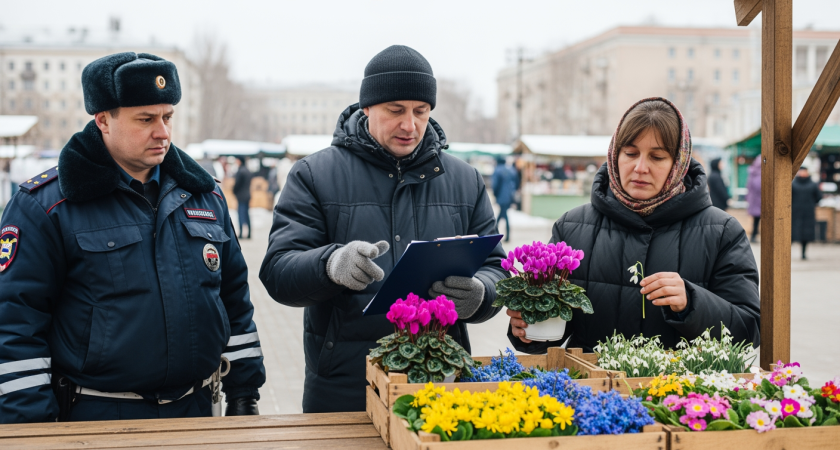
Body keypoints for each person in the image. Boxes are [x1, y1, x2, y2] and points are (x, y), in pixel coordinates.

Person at [0, 52, 265, 423]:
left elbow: (234, 303)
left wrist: (245, 394)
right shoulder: (45, 207)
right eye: (146, 119)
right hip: (98, 415)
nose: (163, 132)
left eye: (167, 117)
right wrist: (33, 431)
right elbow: (15, 326)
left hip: (197, 412)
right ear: (103, 120)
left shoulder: (205, 196)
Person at [259, 45, 506, 413]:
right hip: (343, 386)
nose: (410, 125)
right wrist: (330, 265)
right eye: (396, 111)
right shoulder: (314, 175)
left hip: (439, 383)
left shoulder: (464, 180)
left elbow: (496, 268)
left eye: (421, 112)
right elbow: (278, 271)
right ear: (367, 108)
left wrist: (482, 293)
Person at [507, 98, 760, 353]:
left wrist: (692, 302)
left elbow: (748, 331)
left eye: (657, 157)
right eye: (630, 153)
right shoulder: (572, 227)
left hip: (680, 391)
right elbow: (552, 332)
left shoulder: (722, 232)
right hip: (589, 389)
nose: (640, 168)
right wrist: (527, 329)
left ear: (679, 163)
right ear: (615, 155)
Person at [791, 166, 822, 259]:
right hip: (795, 212)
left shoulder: (813, 184)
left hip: (808, 213)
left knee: (806, 235)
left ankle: (803, 253)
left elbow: (818, 197)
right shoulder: (793, 184)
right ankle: (785, 253)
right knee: (791, 233)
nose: (803, 173)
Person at [492, 156, 519, 242]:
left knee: (504, 215)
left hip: (501, 196)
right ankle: (496, 234)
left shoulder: (497, 170)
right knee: (503, 214)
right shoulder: (511, 170)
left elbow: (495, 185)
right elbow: (516, 183)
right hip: (509, 196)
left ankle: (495, 234)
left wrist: (495, 195)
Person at [233, 157, 252, 239]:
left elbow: (237, 184)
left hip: (241, 195)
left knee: (241, 214)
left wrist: (234, 191)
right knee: (247, 214)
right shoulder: (247, 171)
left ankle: (241, 233)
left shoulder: (240, 171)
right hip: (247, 194)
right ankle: (249, 233)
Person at [746, 157, 762, 243]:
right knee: (758, 220)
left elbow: (748, 186)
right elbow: (758, 187)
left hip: (754, 201)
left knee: (756, 220)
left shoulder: (752, 173)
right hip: (758, 201)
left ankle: (754, 236)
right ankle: (754, 236)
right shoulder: (759, 174)